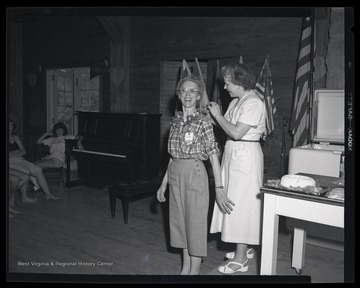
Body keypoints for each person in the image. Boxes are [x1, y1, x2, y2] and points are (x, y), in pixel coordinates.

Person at [156, 75, 234, 275]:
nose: (187, 94)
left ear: (199, 96)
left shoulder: (204, 123)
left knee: (195, 224)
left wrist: (219, 189)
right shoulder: (174, 123)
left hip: (195, 174)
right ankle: (185, 268)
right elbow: (172, 157)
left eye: (192, 91)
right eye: (184, 90)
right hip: (175, 174)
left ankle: (195, 272)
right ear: (178, 95)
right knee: (179, 222)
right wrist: (163, 184)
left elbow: (213, 158)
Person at [207, 62, 266, 274]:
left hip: (246, 158)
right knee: (235, 202)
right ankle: (244, 247)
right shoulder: (236, 101)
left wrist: (217, 115)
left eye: (228, 84)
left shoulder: (254, 103)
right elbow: (227, 127)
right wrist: (211, 117)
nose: (225, 88)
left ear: (240, 83)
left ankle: (241, 260)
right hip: (233, 155)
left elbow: (237, 132)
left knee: (240, 205)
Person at [8, 118, 59, 200]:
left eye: (11, 125)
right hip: (10, 163)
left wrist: (13, 153)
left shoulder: (15, 138)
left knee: (38, 170)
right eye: (8, 125)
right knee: (26, 172)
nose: (9, 128)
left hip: (21, 160)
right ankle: (19, 196)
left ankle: (48, 194)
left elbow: (24, 151)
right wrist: (16, 152)